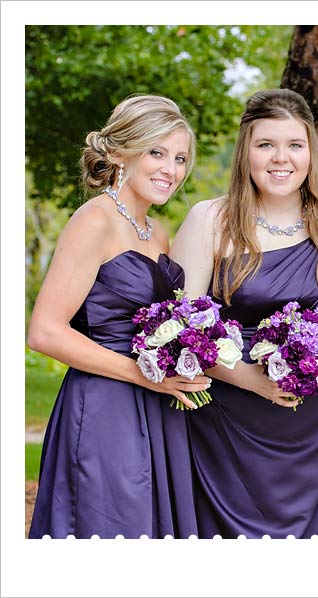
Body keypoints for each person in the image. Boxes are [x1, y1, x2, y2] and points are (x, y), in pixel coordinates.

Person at [170, 88, 318, 539]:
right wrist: (250, 378)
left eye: (295, 145)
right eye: (265, 145)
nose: (281, 158)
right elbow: (176, 330)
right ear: (245, 152)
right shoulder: (209, 219)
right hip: (231, 424)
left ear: (312, 151)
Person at [28, 95, 205, 538]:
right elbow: (45, 332)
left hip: (156, 406)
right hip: (105, 404)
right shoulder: (95, 220)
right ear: (124, 150)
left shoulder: (156, 231)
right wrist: (144, 375)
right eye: (157, 152)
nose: (171, 169)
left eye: (180, 158)